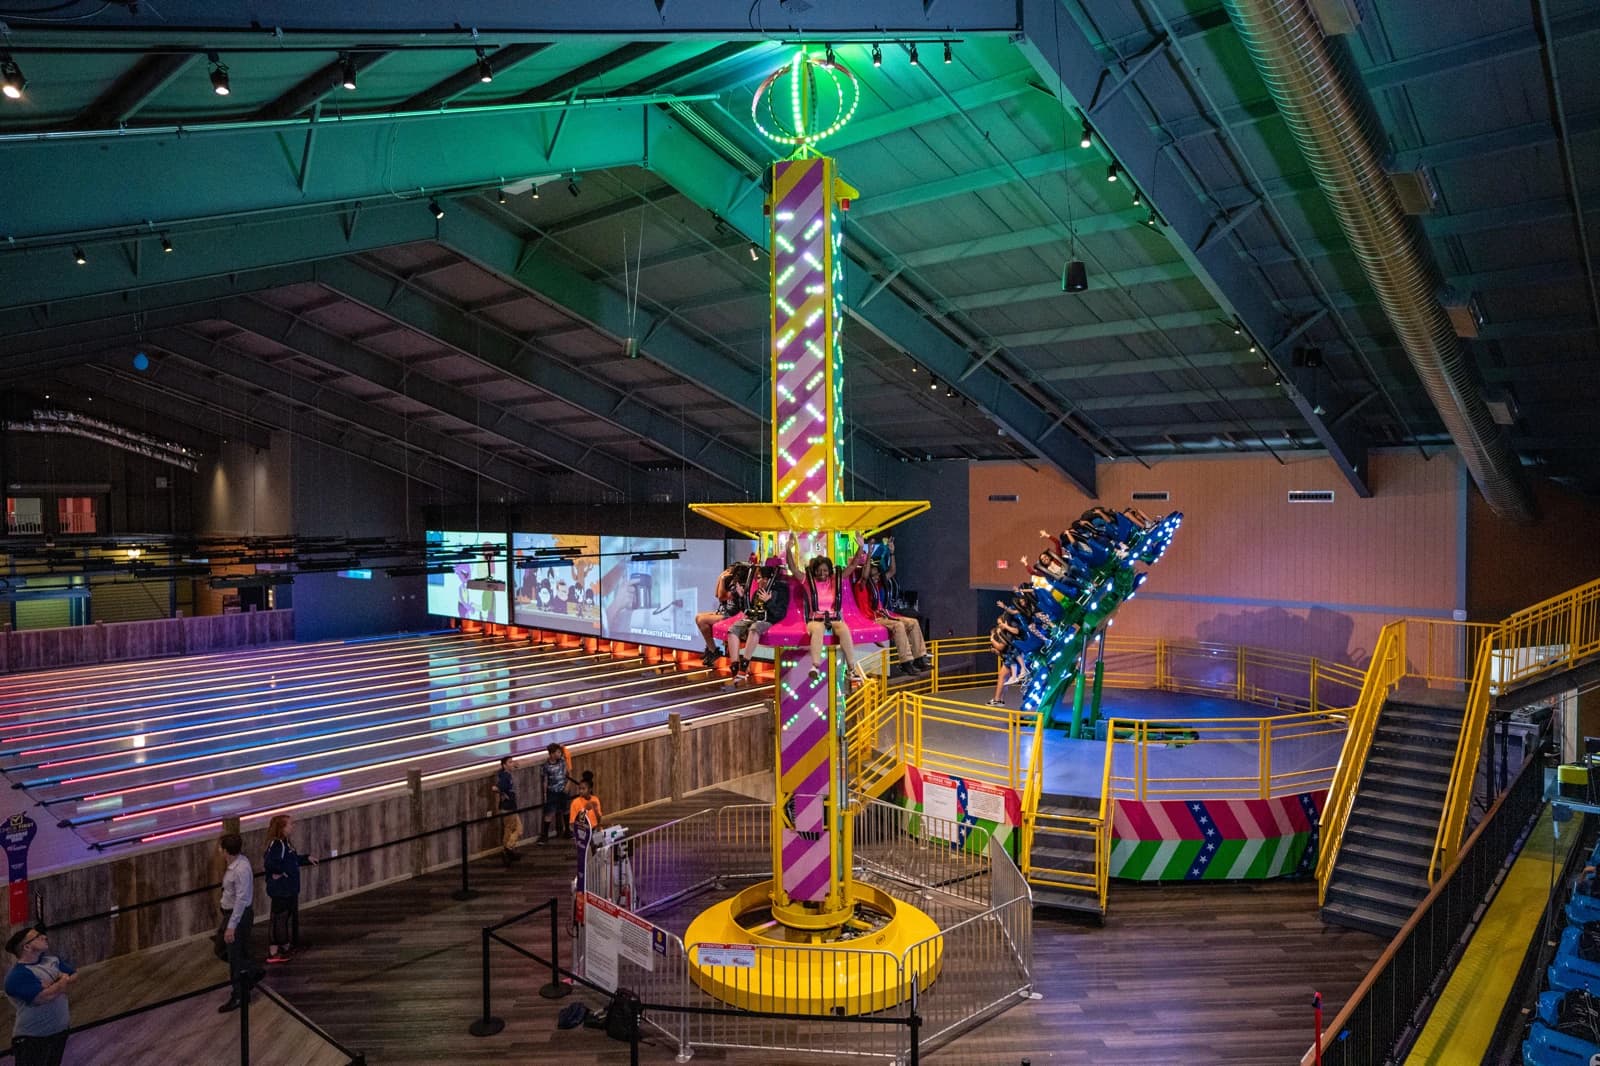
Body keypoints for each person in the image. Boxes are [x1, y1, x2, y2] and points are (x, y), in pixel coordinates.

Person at [791, 549, 867, 685]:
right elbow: (793, 568)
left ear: (829, 571)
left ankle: (851, 669)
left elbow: (852, 566)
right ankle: (815, 665)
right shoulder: (808, 582)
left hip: (833, 619)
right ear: (814, 571)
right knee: (818, 629)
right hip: (815, 619)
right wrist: (788, 548)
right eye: (819, 571)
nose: (822, 574)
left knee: (843, 628)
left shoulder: (834, 581)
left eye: (825, 570)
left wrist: (860, 548)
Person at [4, 925, 75, 1066]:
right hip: (33, 1038)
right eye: (37, 937)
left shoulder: (51, 960)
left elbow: (74, 974)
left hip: (59, 1032)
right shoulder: (17, 975)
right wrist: (62, 980)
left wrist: (56, 983)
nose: (44, 937)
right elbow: (43, 997)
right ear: (27, 947)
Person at [726, 560, 788, 682]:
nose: (758, 581)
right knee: (733, 629)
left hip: (768, 619)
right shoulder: (758, 592)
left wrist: (768, 601)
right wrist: (742, 596)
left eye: (760, 578)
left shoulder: (780, 591)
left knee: (755, 628)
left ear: (767, 579)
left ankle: (744, 664)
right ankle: (735, 665)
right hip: (753, 617)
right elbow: (746, 610)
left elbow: (779, 613)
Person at [217, 831, 257, 1013]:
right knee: (232, 952)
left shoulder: (239, 869)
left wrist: (231, 926)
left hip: (237, 916)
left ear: (226, 851)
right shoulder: (238, 863)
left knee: (234, 956)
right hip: (233, 915)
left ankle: (240, 992)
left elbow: (241, 900)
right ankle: (250, 974)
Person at [264, 814, 312, 964]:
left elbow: (291, 860)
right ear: (282, 828)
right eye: (290, 825)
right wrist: (280, 872)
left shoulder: (285, 843)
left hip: (288, 888)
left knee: (281, 916)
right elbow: (270, 863)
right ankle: (279, 949)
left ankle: (281, 947)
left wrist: (305, 859)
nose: (293, 827)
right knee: (280, 917)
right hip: (282, 889)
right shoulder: (278, 845)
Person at [694, 563, 748, 668]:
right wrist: (720, 578)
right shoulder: (731, 582)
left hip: (732, 616)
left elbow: (721, 597)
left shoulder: (740, 586)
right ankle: (711, 649)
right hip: (725, 612)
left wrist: (723, 579)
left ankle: (713, 650)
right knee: (698, 617)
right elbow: (716, 594)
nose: (727, 572)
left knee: (702, 620)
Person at [492, 755, 522, 867]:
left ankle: (509, 851)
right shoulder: (505, 777)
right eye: (510, 762)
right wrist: (499, 791)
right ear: (504, 765)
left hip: (509, 806)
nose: (512, 763)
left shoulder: (504, 774)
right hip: (508, 807)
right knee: (517, 830)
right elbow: (496, 788)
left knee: (509, 830)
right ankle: (508, 849)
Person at [538, 742, 571, 843]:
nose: (559, 754)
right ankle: (545, 835)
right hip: (552, 791)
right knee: (549, 813)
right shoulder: (546, 766)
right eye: (557, 752)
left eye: (560, 752)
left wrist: (568, 785)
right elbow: (545, 781)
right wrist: (544, 794)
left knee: (565, 810)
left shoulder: (562, 761)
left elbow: (568, 773)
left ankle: (567, 830)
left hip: (563, 790)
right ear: (551, 754)